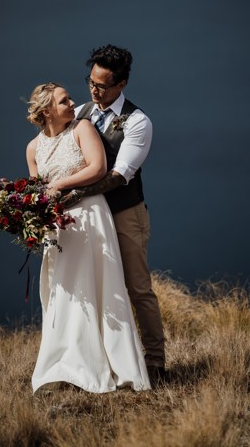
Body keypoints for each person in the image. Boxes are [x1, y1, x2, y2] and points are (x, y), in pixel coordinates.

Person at [24, 82, 149, 393]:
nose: (72, 103)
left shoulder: (82, 128)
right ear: (46, 112)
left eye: (69, 98)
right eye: (64, 101)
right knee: (65, 291)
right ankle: (65, 365)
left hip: (90, 216)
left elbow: (98, 168)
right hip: (59, 226)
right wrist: (33, 213)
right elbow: (37, 189)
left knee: (99, 286)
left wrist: (60, 184)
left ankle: (108, 364)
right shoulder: (32, 148)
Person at [62, 44, 165, 384]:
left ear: (122, 84)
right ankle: (99, 362)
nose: (95, 91)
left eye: (103, 86)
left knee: (137, 288)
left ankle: (155, 362)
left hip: (125, 214)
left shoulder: (138, 122)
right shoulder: (81, 112)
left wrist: (76, 194)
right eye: (91, 82)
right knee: (92, 288)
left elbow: (120, 175)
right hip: (88, 217)